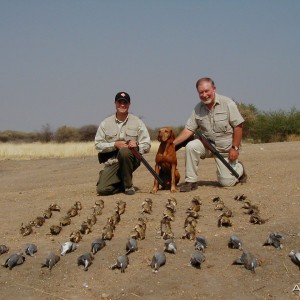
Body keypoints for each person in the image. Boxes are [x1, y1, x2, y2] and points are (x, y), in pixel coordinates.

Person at [173, 77, 247, 192]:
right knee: (191, 146)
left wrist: (235, 148)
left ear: (214, 89)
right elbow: (188, 130)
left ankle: (239, 168)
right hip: (207, 146)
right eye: (201, 92)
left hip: (225, 149)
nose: (204, 95)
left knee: (227, 183)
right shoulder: (197, 109)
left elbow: (238, 126)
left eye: (206, 91)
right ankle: (191, 182)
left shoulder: (228, 103)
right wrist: (171, 145)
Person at [95, 92, 151, 195]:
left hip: (131, 159)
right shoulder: (105, 123)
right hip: (113, 162)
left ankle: (128, 186)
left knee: (125, 152)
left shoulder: (137, 122)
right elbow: (98, 145)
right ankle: (121, 184)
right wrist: (114, 145)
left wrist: (137, 145)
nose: (122, 105)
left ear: (129, 104)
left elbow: (147, 144)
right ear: (115, 103)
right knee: (102, 190)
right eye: (119, 102)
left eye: (125, 102)